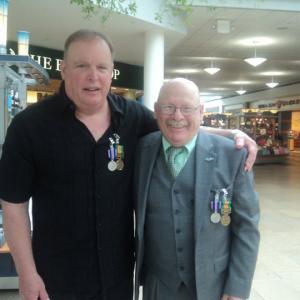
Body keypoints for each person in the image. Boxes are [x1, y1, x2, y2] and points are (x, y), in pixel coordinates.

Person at [0, 30, 257, 300]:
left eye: (102, 67)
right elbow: (13, 204)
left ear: (112, 72)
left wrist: (231, 135)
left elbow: (175, 123)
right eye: (82, 66)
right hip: (56, 279)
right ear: (64, 70)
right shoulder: (29, 126)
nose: (93, 76)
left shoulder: (133, 118)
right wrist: (27, 274)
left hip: (118, 278)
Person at [134, 78, 260, 300]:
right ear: (156, 110)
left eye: (187, 108)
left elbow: (247, 228)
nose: (177, 116)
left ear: (201, 111)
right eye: (168, 107)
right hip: (158, 285)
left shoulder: (233, 156)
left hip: (214, 286)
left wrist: (238, 287)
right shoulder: (142, 149)